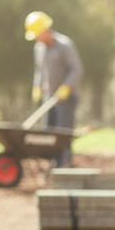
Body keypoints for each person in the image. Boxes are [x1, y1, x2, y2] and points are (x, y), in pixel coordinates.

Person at [25, 11, 83, 167]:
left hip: (66, 98)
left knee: (63, 132)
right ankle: (53, 163)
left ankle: (65, 163)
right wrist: (37, 86)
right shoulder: (39, 48)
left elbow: (76, 69)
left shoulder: (64, 45)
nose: (37, 38)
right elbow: (40, 70)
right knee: (48, 132)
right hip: (48, 96)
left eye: (38, 34)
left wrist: (66, 87)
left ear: (45, 30)